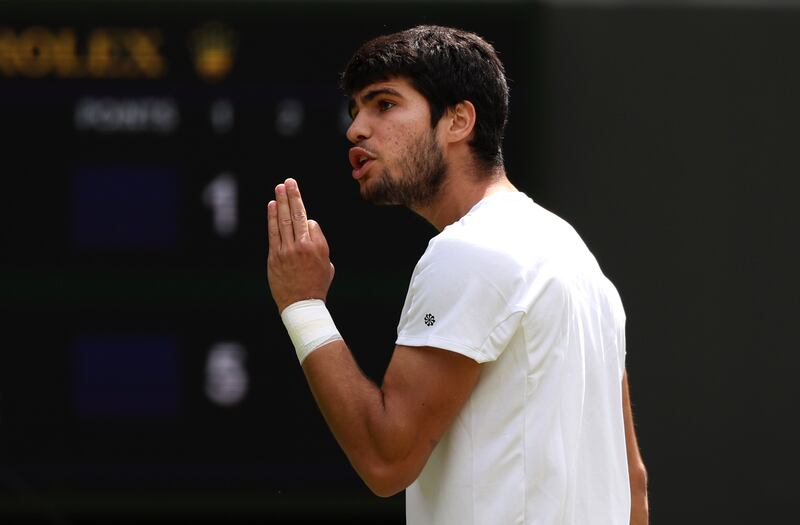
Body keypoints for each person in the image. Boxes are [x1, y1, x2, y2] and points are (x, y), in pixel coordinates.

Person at [266, 25, 648, 525]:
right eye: (355, 110)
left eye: (383, 104)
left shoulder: (470, 250)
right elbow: (633, 486)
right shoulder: (581, 264)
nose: (356, 129)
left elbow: (386, 460)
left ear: (458, 121)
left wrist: (303, 305)